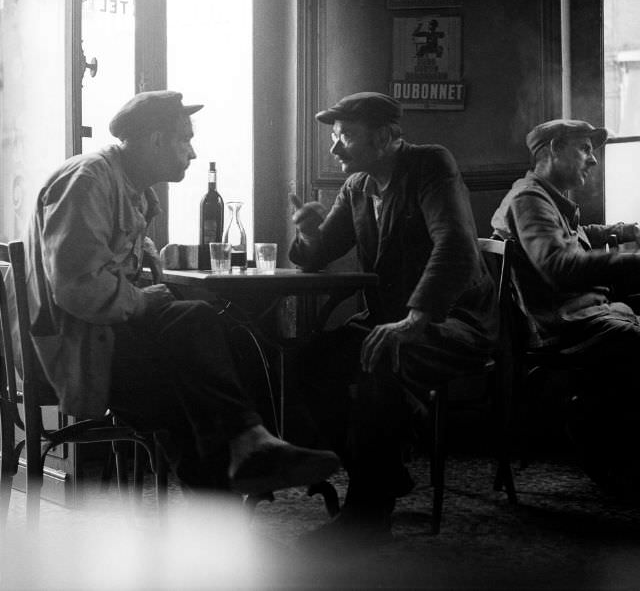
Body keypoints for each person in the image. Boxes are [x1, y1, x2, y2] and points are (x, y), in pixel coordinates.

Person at [24, 90, 339, 497]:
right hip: (82, 348)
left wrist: (145, 269)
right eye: (183, 140)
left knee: (227, 338)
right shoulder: (88, 180)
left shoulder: (126, 187)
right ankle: (245, 459)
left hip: (111, 337)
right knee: (193, 378)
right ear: (156, 140)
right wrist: (141, 298)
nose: (191, 153)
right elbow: (78, 287)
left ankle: (248, 457)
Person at [288, 91, 496, 547]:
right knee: (306, 363)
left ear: (383, 138)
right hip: (391, 319)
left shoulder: (430, 165)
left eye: (345, 136)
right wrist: (306, 232)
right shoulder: (358, 186)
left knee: (380, 359)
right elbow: (320, 254)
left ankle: (368, 513)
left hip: (455, 319)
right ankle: (383, 474)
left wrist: (415, 319)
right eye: (334, 137)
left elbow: (455, 245)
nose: (334, 147)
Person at [491, 118, 640, 495]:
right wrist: (630, 258)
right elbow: (557, 266)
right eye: (584, 148)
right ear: (554, 149)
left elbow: (573, 237)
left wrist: (620, 232)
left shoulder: (546, 197)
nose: (592, 160)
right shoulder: (530, 200)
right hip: (566, 326)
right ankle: (607, 449)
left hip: (581, 316)